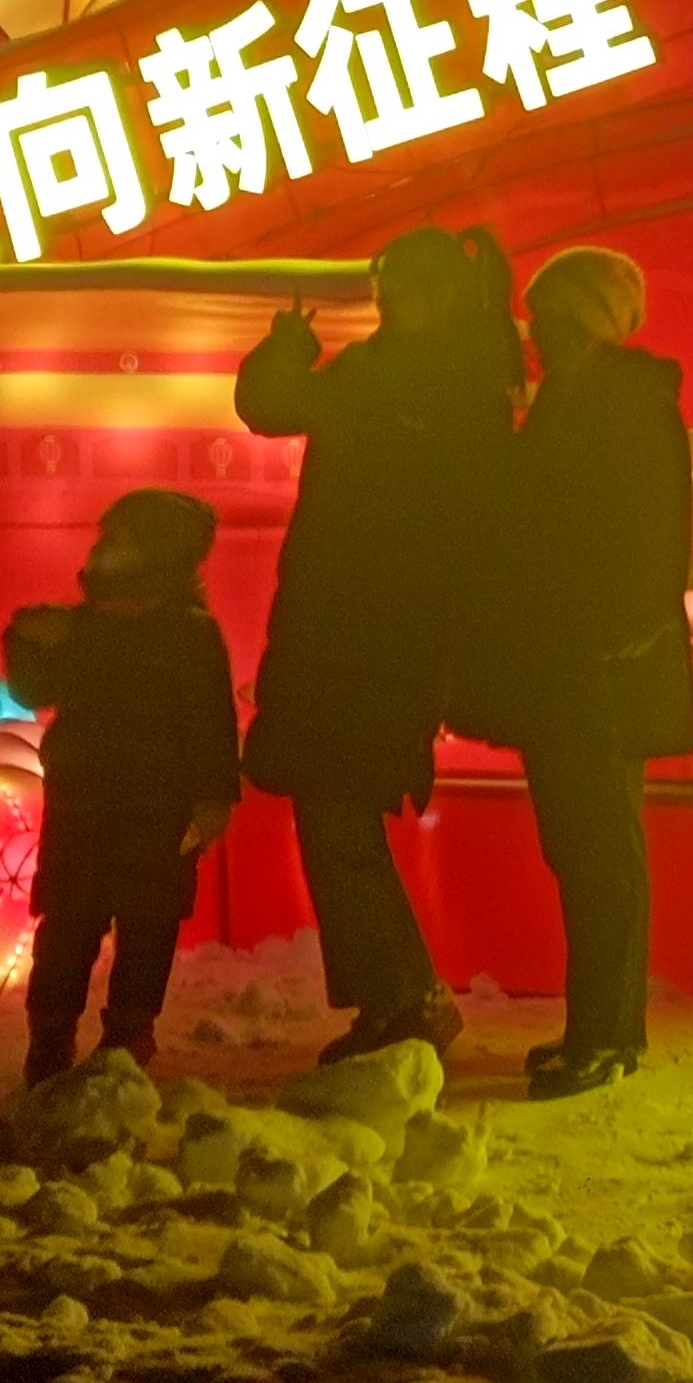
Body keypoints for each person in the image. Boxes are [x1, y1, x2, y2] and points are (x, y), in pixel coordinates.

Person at [234, 227, 512, 1065]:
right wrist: (286, 350)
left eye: (400, 286)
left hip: (377, 635)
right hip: (358, 631)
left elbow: (277, 408)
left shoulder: (432, 386)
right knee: (337, 820)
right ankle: (396, 999)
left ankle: (406, 997)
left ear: (441, 294)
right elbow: (275, 407)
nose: (386, 298)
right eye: (384, 285)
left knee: (339, 820)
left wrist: (287, 357)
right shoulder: (436, 381)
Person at [483, 245, 693, 1100]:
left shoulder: (622, 407)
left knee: (599, 853)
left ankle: (605, 1033)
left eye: (549, 318)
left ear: (585, 324)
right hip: (576, 664)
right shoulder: (580, 402)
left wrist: (612, 638)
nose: (537, 334)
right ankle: (602, 1029)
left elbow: (651, 543)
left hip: (599, 669)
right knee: (586, 850)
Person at [1, 489, 236, 1084]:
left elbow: (211, 722)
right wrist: (27, 640)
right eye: (104, 539)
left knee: (149, 925)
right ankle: (50, 1037)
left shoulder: (188, 635)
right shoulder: (80, 628)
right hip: (81, 804)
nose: (104, 550)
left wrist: (213, 798)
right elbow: (33, 689)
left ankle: (128, 1036)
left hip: (160, 809)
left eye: (121, 540)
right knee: (67, 923)